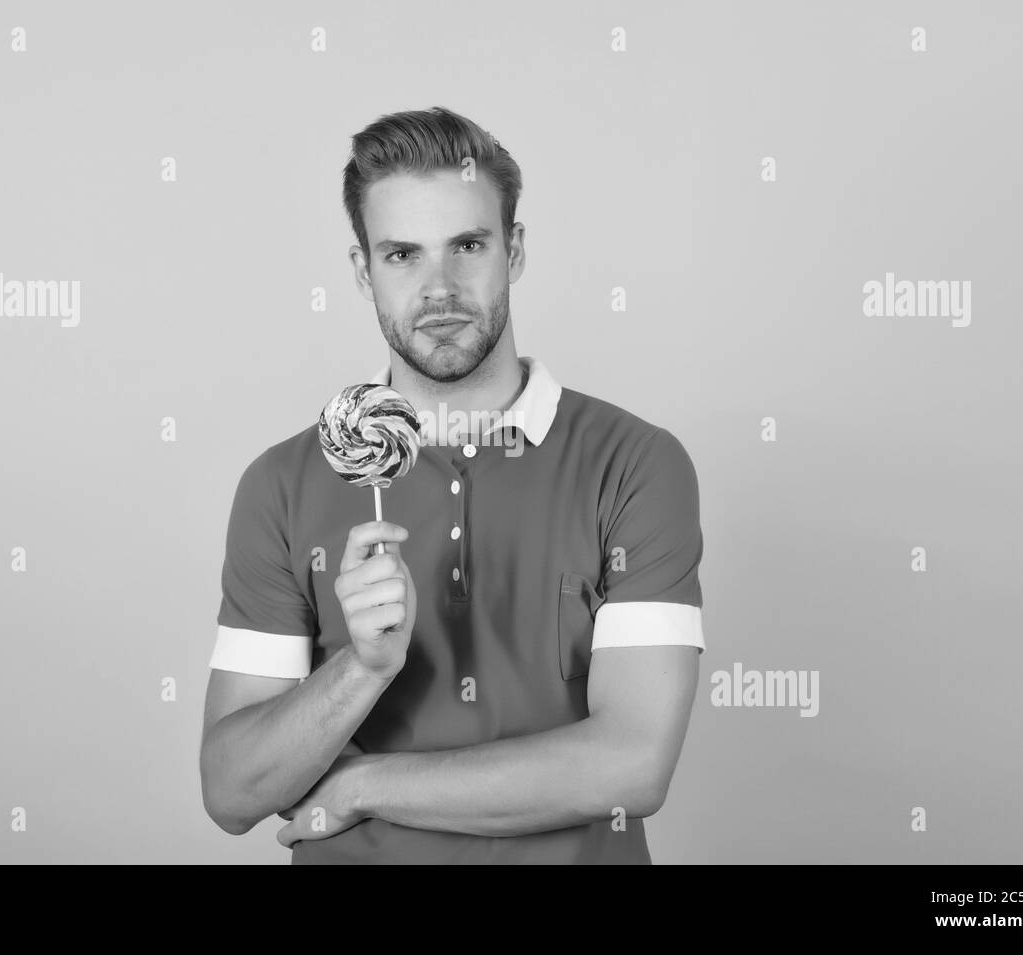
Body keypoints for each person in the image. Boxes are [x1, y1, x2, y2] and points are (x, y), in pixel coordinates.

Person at [199, 105, 706, 864]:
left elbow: (632, 765)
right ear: (363, 270)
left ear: (515, 251)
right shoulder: (281, 484)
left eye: (468, 245)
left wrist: (360, 784)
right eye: (403, 255)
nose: (440, 288)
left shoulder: (636, 465)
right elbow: (232, 790)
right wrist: (361, 669)